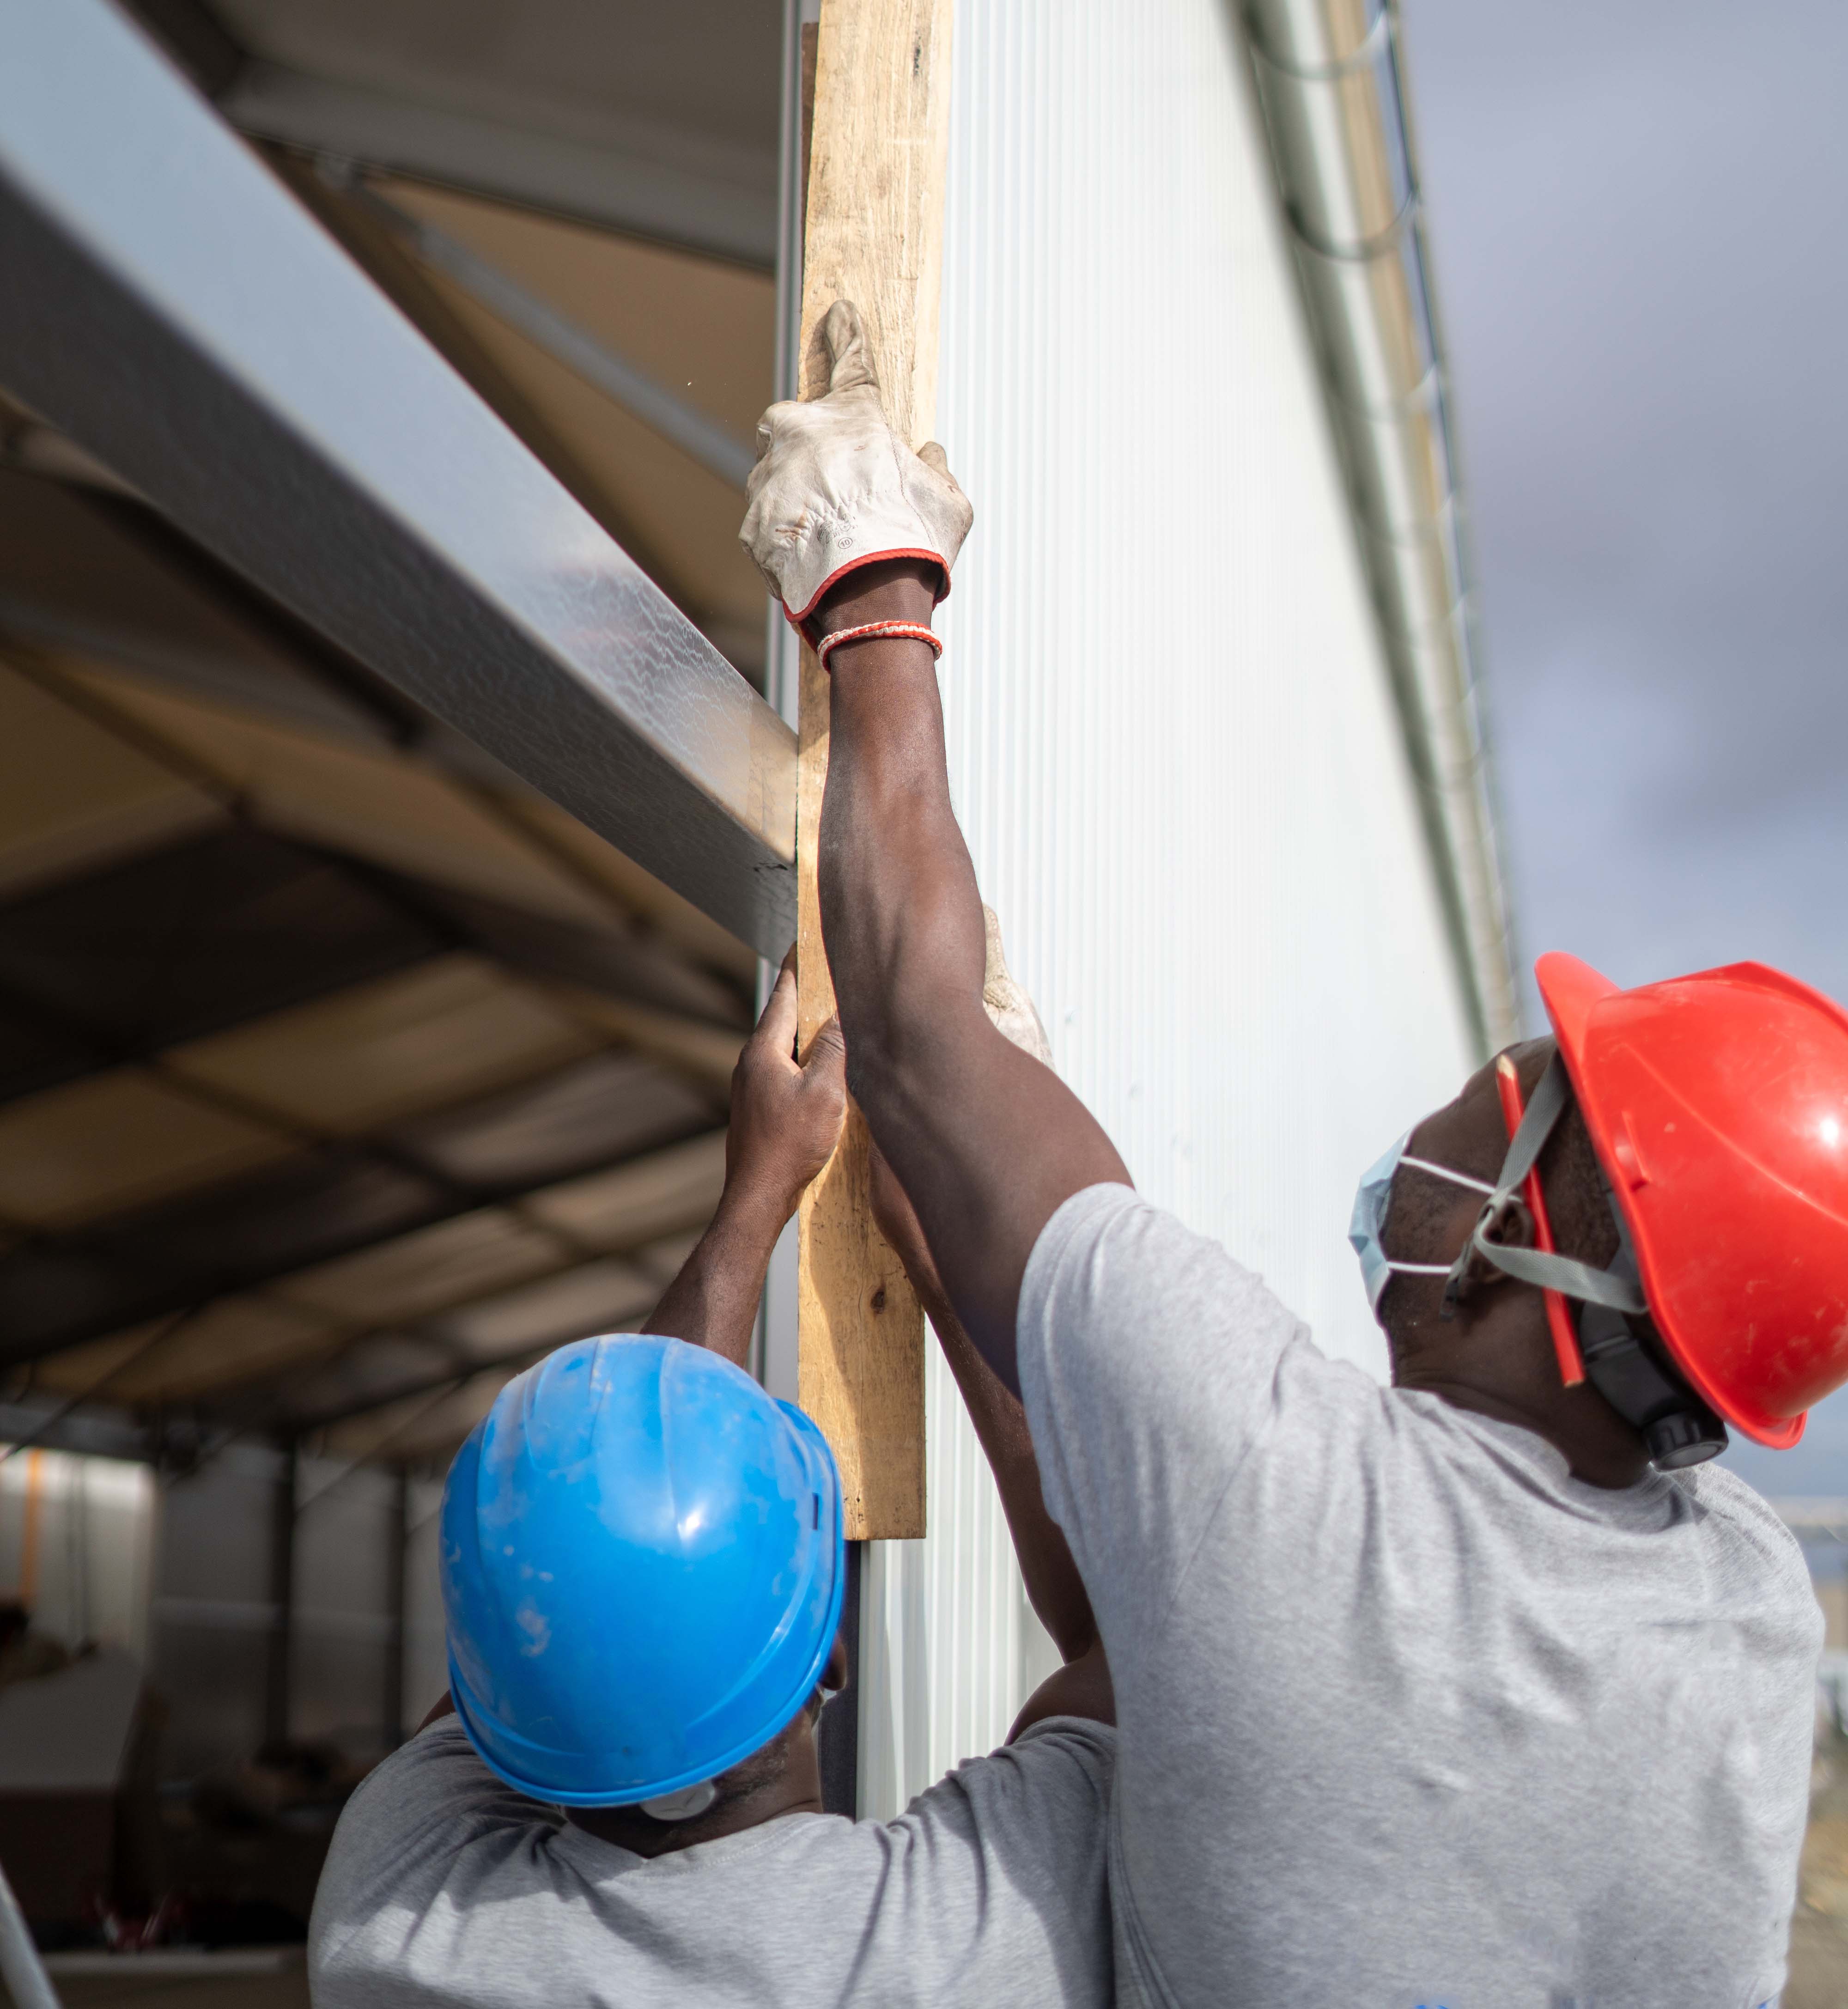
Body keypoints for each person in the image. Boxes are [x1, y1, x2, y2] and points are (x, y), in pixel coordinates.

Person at [738, 298, 1848, 2007]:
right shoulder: (1756, 1622)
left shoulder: (1288, 1481)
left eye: (1530, 1070)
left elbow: (910, 1019)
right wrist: (961, 1244)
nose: (1485, 1069)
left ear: (1539, 1230)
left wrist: (871, 580)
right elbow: (1178, 1606)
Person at [308, 957, 1116, 2009]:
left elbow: (567, 1566)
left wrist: (756, 1194)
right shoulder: (957, 1935)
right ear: (829, 1653)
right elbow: (1133, 1651)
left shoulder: (399, 1925)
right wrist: (948, 1261)